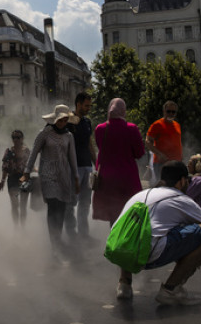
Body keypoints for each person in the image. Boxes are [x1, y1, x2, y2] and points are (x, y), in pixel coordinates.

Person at [116, 161, 201, 305]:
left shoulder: (142, 194)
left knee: (134, 230)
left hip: (119, 251)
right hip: (148, 254)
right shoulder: (181, 199)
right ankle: (171, 289)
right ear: (182, 181)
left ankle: (124, 284)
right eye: (187, 180)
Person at [21, 105, 80, 264]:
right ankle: (54, 244)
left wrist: (75, 177)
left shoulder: (69, 136)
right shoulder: (45, 133)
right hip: (48, 175)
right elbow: (33, 153)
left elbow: (72, 158)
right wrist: (27, 172)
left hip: (64, 177)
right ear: (55, 119)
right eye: (60, 119)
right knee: (53, 206)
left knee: (61, 209)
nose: (63, 122)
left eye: (66, 120)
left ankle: (57, 240)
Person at [92, 98, 145, 226]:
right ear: (123, 110)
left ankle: (114, 241)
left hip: (107, 179)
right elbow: (139, 153)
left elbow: (101, 148)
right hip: (127, 178)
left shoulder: (100, 129)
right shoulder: (132, 129)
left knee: (113, 214)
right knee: (130, 212)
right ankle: (128, 242)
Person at [65, 92, 96, 242]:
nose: (88, 108)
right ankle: (71, 234)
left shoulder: (87, 122)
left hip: (87, 166)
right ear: (78, 104)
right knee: (71, 202)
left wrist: (96, 163)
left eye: (90, 106)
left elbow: (89, 143)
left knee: (85, 203)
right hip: (73, 167)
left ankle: (84, 234)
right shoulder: (67, 120)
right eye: (86, 106)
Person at [0, 130, 30, 226]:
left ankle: (23, 227)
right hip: (13, 179)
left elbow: (30, 165)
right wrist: (2, 181)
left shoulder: (27, 151)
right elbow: (5, 167)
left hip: (24, 179)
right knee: (15, 205)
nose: (16, 140)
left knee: (23, 206)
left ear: (22, 139)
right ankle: (16, 227)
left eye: (18, 137)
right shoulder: (9, 152)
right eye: (14, 137)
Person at [146, 100, 183, 184]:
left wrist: (181, 155)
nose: (171, 114)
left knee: (176, 187)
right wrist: (159, 154)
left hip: (176, 163)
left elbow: (177, 141)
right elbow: (148, 142)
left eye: (173, 112)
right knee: (163, 188)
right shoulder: (157, 125)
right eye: (168, 111)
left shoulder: (177, 125)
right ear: (164, 111)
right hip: (162, 164)